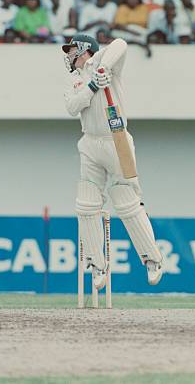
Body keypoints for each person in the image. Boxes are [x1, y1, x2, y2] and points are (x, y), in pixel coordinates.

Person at [62, 34, 164, 290]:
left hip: (116, 139)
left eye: (73, 50)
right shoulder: (74, 79)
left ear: (85, 49)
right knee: (86, 203)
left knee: (126, 200)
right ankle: (97, 265)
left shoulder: (105, 62)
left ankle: (152, 259)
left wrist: (103, 69)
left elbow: (121, 44)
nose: (69, 55)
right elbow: (73, 107)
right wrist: (92, 86)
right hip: (89, 142)